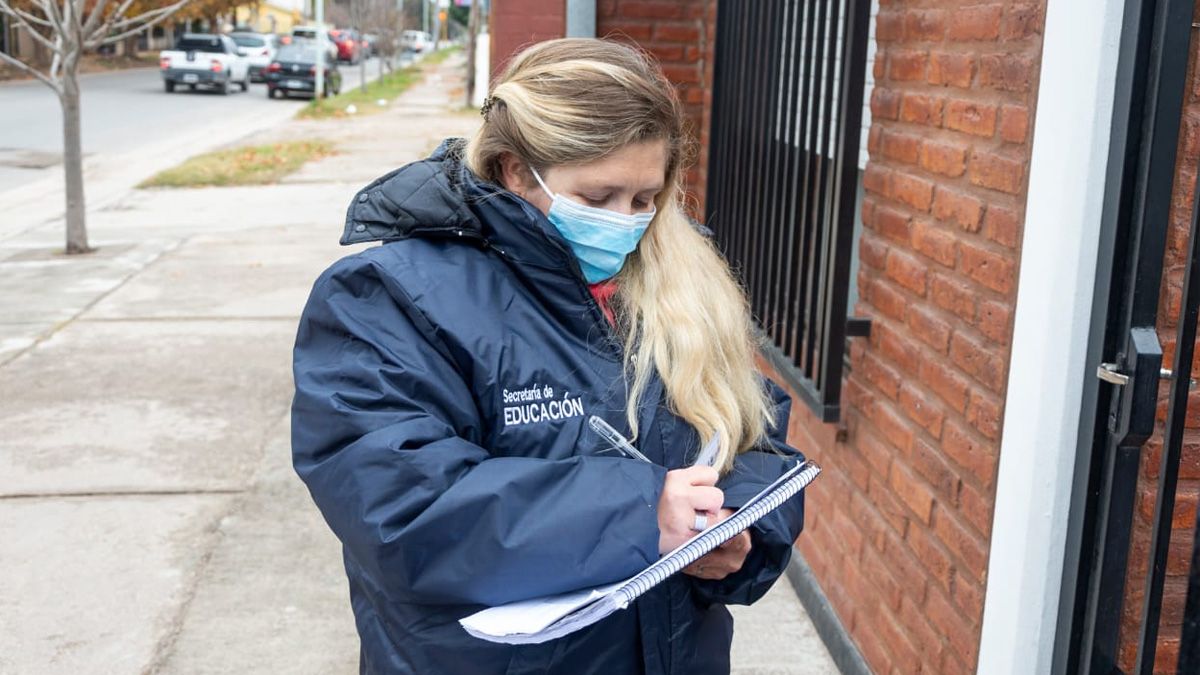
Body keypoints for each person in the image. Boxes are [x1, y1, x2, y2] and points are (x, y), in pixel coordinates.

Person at [291, 37, 808, 675]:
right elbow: (400, 506)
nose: (626, 222)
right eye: (597, 197)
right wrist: (641, 514)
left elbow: (756, 433)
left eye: (645, 199)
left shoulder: (677, 275)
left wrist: (741, 531)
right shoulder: (387, 296)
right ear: (515, 171)